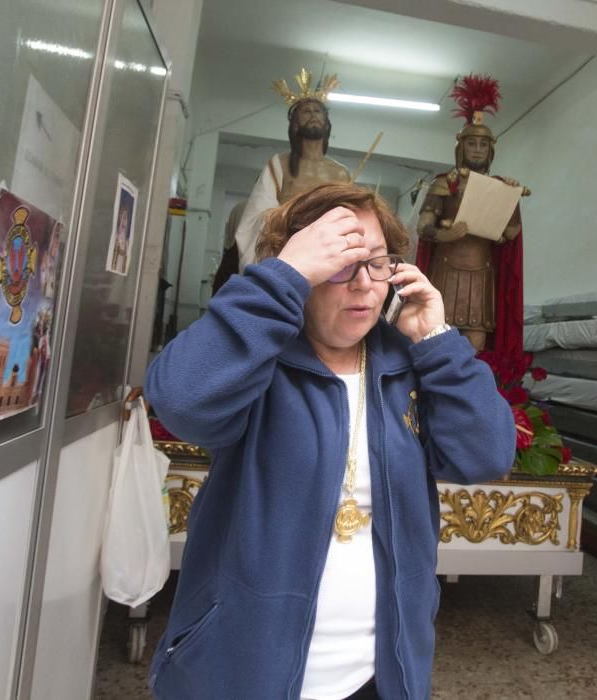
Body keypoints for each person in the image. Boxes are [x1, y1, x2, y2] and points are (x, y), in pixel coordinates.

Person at [144, 182, 516, 699]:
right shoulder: (258, 362)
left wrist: (436, 340)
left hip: (380, 676)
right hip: (244, 675)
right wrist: (282, 278)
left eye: (378, 263)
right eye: (340, 263)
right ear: (304, 266)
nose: (363, 285)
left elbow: (487, 455)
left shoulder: (406, 367)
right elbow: (181, 402)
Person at [416, 74, 523, 357]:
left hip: (482, 273)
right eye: (471, 144)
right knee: (438, 342)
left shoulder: (500, 186)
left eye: (483, 145)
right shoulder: (444, 183)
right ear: (460, 147)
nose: (477, 149)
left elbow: (511, 234)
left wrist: (510, 198)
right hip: (446, 270)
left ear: (491, 150)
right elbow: (423, 226)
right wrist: (444, 234)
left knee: (475, 349)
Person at [233, 69, 351, 274]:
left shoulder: (341, 172)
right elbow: (256, 216)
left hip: (328, 260)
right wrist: (294, 218)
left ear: (326, 122)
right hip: (288, 256)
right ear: (295, 124)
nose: (313, 114)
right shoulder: (279, 165)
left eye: (318, 111)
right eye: (306, 112)